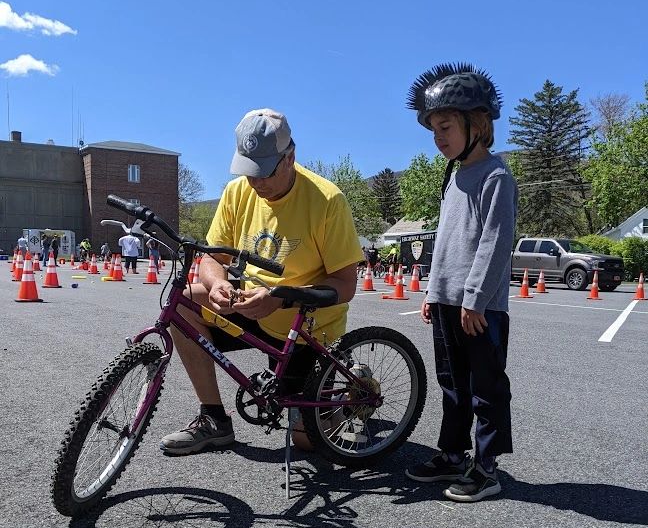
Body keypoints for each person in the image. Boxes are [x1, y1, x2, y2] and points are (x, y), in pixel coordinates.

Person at [159, 107, 363, 456]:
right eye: (248, 170)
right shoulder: (238, 192)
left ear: (290, 158)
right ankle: (214, 420)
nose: (256, 182)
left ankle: (347, 385)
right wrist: (217, 283)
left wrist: (279, 297)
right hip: (251, 308)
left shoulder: (328, 200)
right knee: (184, 304)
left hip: (306, 328)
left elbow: (345, 285)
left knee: (306, 442)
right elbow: (212, 257)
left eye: (264, 171)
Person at [404, 63, 518, 502]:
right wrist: (433, 292)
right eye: (433, 130)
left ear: (479, 124)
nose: (439, 137)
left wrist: (473, 300)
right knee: (452, 383)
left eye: (446, 126)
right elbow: (446, 241)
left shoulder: (496, 177)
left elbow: (493, 245)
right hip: (449, 302)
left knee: (486, 388)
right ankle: (452, 454)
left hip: (481, 308)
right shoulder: (452, 177)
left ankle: (487, 468)